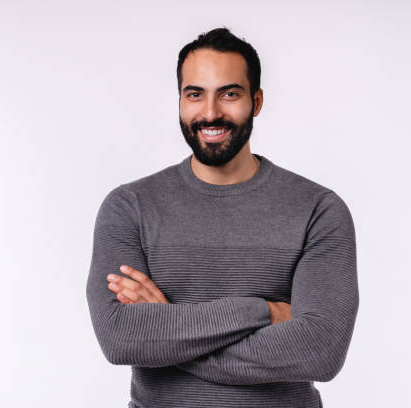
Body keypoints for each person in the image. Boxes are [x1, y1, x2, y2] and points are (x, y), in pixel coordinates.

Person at [85, 27, 358, 408]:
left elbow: (319, 352)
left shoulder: (318, 209)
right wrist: (263, 311)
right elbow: (121, 339)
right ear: (179, 100)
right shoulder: (129, 206)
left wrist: (169, 330)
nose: (211, 113)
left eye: (229, 94)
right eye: (195, 94)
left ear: (257, 100)